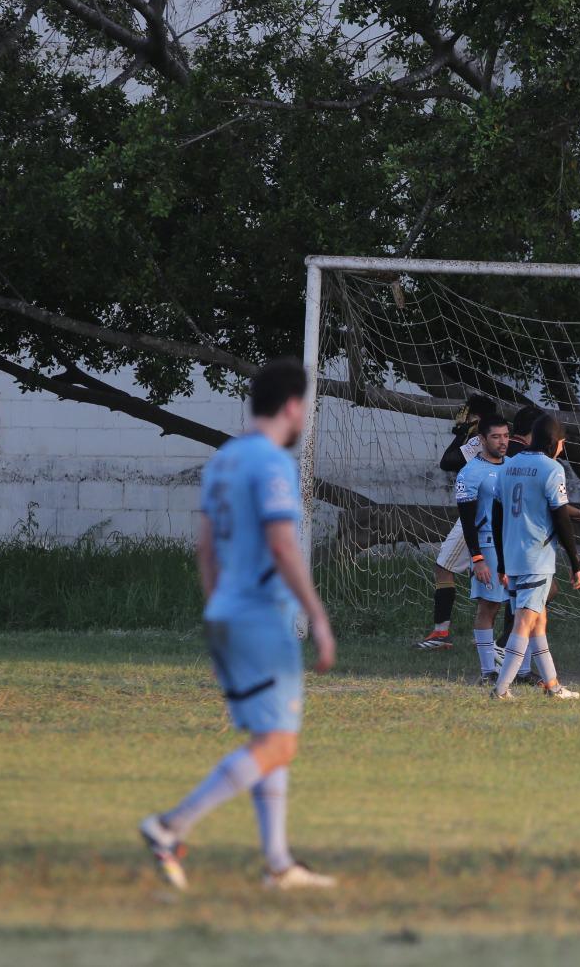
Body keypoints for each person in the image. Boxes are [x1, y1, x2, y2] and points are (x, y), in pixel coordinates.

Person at [139, 358, 338, 891]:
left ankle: (278, 864)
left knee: (270, 737)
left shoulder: (225, 459)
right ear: (294, 406)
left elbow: (205, 547)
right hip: (261, 617)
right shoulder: (271, 463)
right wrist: (317, 616)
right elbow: (282, 545)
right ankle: (169, 826)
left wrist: (216, 606)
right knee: (279, 745)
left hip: (226, 611)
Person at [489, 414, 580, 700]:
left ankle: (553, 686)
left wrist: (502, 561)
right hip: (536, 558)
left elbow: (496, 514)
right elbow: (561, 518)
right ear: (556, 443)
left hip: (513, 555)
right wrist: (575, 561)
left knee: (538, 622)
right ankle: (501, 689)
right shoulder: (551, 468)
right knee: (524, 622)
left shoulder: (508, 466)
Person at [419, 394, 500, 650]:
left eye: (467, 414)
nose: (462, 417)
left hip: (476, 516)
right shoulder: (488, 439)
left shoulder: (479, 440)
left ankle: (442, 634)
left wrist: (462, 433)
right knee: (493, 578)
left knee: (445, 567)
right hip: (490, 514)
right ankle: (489, 636)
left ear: (477, 417)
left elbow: (447, 461)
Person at [454, 413, 510, 685]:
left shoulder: (513, 465)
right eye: (496, 437)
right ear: (483, 439)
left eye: (506, 436)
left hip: (515, 544)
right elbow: (467, 521)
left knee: (530, 602)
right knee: (490, 606)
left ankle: (518, 668)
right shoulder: (470, 473)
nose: (502, 442)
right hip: (488, 546)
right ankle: (488, 671)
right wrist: (477, 558)